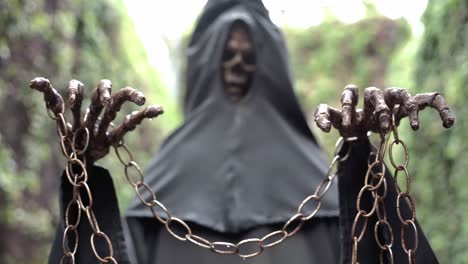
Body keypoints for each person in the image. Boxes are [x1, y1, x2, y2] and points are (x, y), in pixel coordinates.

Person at [44, 0, 453, 263]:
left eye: (248, 55)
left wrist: (364, 165)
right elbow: (110, 249)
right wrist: (86, 186)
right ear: (208, 63)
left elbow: (370, 243)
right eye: (227, 55)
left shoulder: (319, 181)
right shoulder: (167, 177)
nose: (237, 65)